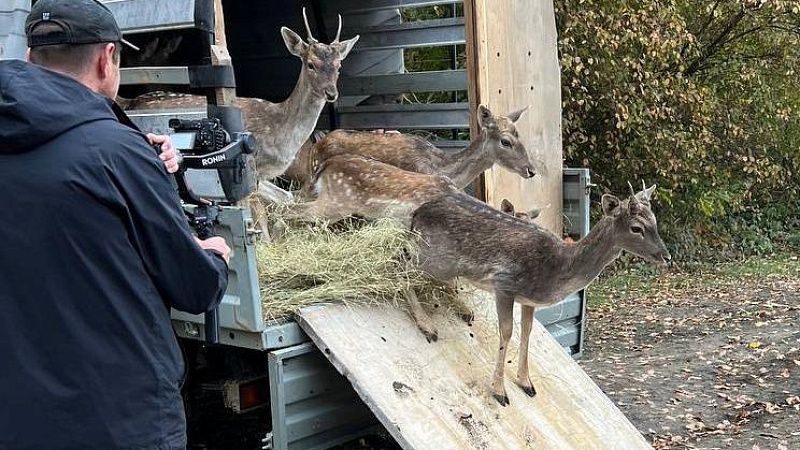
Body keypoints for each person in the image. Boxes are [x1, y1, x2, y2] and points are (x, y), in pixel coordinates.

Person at [0, 0, 232, 449]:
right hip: (120, 421)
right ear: (108, 59)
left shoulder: (113, 151)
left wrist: (137, 158)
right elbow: (194, 288)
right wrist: (213, 255)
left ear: (30, 59)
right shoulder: (118, 154)